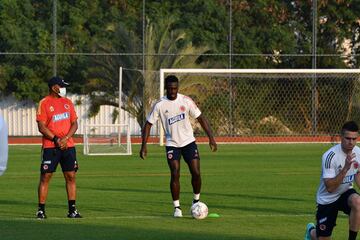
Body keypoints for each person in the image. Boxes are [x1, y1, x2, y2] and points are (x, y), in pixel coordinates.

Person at [139, 75, 217, 217]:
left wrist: (211, 138)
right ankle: (177, 208)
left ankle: (196, 201)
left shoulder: (186, 101)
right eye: (170, 89)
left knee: (196, 173)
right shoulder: (160, 105)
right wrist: (143, 145)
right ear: (166, 88)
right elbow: (148, 125)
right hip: (172, 144)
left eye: (175, 88)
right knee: (175, 173)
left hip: (189, 142)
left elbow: (200, 118)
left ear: (178, 88)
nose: (172, 91)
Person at [305, 121, 360, 240]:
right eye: (348, 138)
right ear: (341, 137)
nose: (351, 142)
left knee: (358, 202)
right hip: (327, 199)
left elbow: (357, 173)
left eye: (354, 139)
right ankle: (311, 232)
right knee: (323, 238)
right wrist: (345, 168)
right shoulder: (329, 156)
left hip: (345, 192)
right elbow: (330, 188)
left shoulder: (358, 152)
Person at [35, 76, 81, 219]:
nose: (63, 88)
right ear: (54, 87)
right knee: (46, 177)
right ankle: (41, 210)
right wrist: (56, 139)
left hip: (68, 146)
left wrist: (66, 138)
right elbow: (41, 126)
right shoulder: (44, 103)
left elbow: (74, 124)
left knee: (71, 176)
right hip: (50, 147)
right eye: (61, 86)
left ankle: (72, 210)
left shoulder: (68, 103)